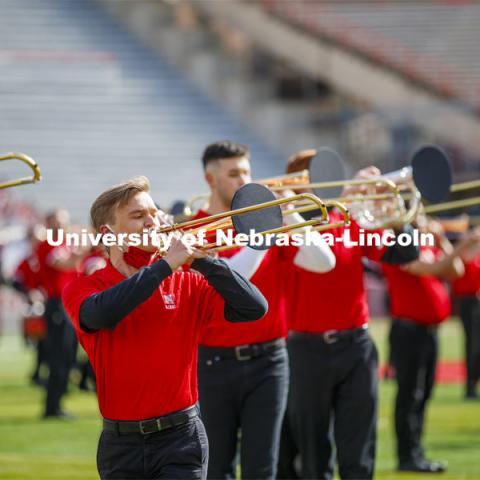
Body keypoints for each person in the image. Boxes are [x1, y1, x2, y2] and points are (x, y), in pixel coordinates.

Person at [62, 176, 268, 480]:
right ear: (108, 235)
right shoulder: (86, 287)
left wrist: (205, 262)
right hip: (121, 444)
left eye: (154, 213)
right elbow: (100, 315)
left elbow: (254, 308)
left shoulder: (186, 280)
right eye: (138, 216)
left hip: (181, 439)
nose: (152, 221)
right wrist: (165, 265)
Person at [193, 141, 336, 479]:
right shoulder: (196, 229)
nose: (244, 180)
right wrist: (261, 234)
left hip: (269, 361)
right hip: (212, 363)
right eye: (233, 174)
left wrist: (289, 213)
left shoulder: (271, 224)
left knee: (262, 467)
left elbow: (323, 261)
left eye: (246, 171)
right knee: (217, 466)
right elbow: (231, 280)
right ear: (211, 181)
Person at [281, 160, 419, 480]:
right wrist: (349, 195)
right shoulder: (287, 228)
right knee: (314, 452)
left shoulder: (349, 222)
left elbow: (406, 253)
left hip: (356, 345)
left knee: (359, 447)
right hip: (307, 349)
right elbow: (314, 247)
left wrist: (395, 216)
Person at [383, 217, 478, 473]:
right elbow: (434, 269)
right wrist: (465, 243)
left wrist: (443, 240)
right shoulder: (399, 249)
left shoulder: (427, 244)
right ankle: (407, 456)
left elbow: (456, 270)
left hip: (428, 332)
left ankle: (417, 453)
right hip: (408, 332)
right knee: (410, 397)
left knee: (423, 395)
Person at [36, 210, 86, 418]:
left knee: (67, 356)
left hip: (66, 303)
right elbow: (65, 263)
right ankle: (52, 406)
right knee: (58, 357)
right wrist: (84, 248)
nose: (62, 225)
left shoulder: (63, 242)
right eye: (58, 221)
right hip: (56, 304)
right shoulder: (48, 244)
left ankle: (56, 402)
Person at [452, 226, 480, 399]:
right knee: (473, 345)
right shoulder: (463, 252)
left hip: (476, 301)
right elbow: (464, 259)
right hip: (468, 302)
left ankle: (473, 383)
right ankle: (470, 386)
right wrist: (468, 240)